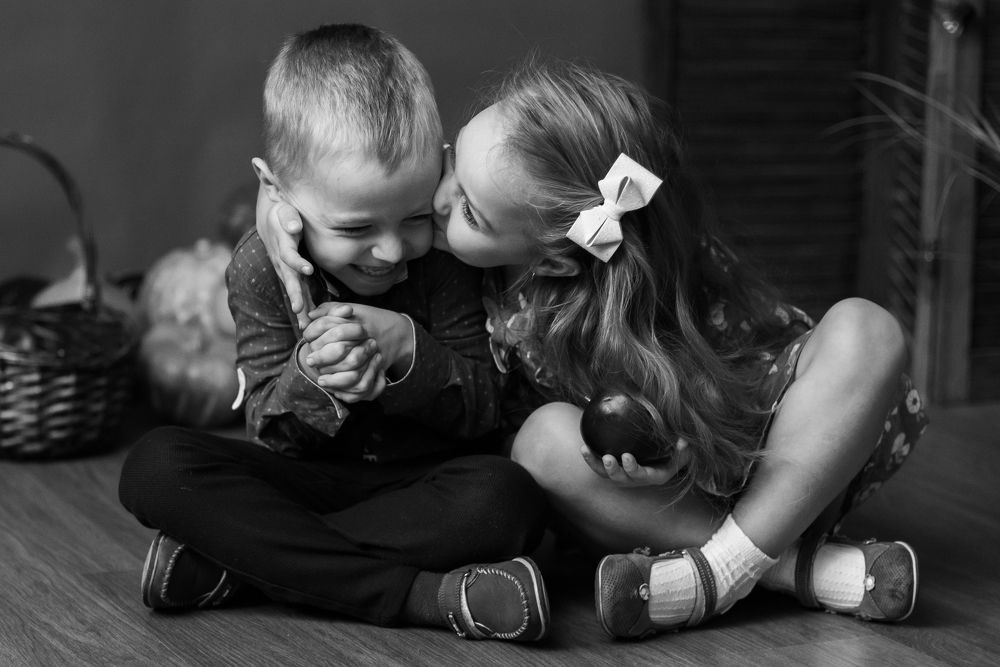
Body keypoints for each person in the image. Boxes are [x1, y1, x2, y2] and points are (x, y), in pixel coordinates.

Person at [258, 57, 928, 639]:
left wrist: (684, 456)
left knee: (869, 327)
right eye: (452, 162)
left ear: (552, 258)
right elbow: (348, 165)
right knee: (541, 443)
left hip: (787, 460)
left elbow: (729, 415)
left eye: (468, 212)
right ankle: (782, 569)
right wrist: (276, 205)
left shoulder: (650, 286)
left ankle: (720, 573)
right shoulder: (450, 245)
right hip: (654, 511)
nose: (434, 201)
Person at [118, 24, 551, 643]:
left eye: (414, 217)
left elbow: (486, 409)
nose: (390, 250)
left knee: (507, 498)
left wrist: (407, 350)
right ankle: (424, 597)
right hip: (309, 483)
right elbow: (271, 432)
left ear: (439, 170)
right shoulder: (259, 266)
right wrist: (313, 379)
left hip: (426, 484)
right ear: (277, 191)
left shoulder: (448, 254)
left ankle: (241, 563)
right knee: (155, 467)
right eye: (354, 229)